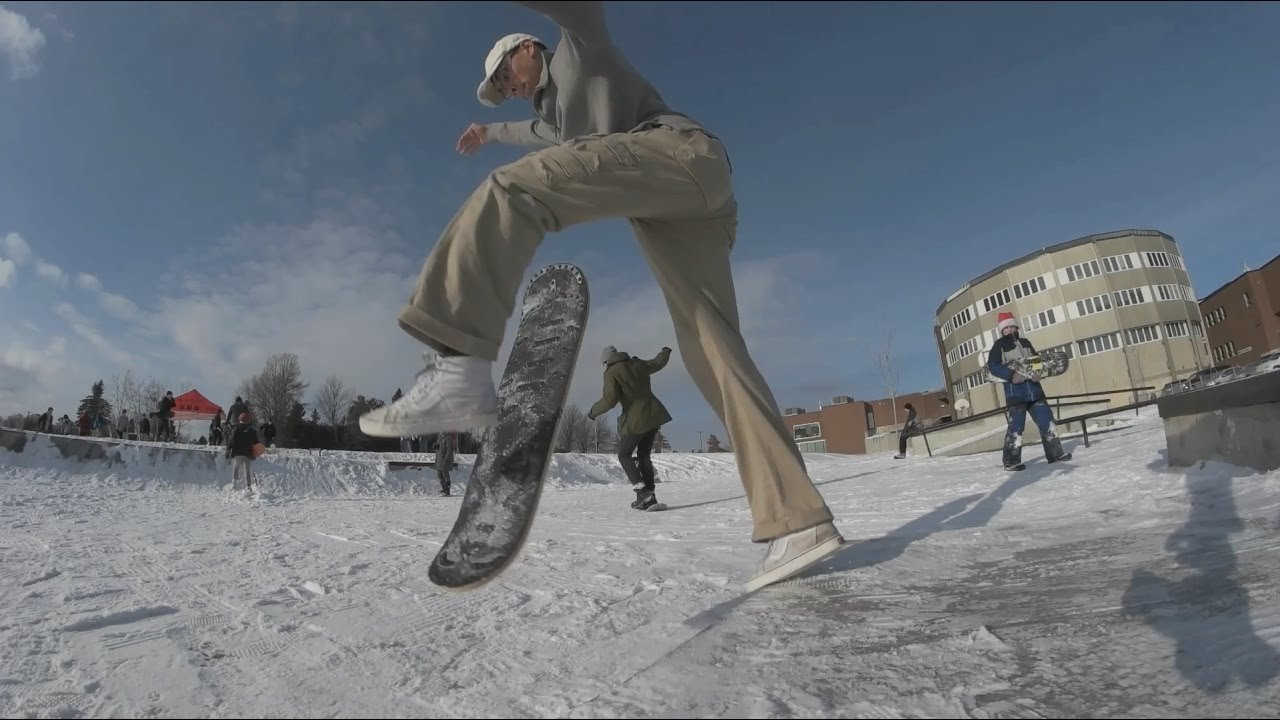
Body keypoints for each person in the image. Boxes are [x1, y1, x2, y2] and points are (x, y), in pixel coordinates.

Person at [357, 1, 843, 591]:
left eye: (507, 76)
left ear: (528, 49)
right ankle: (798, 519)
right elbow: (529, 131)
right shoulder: (553, 118)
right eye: (500, 88)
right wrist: (488, 131)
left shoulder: (577, 50)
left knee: (513, 190)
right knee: (711, 349)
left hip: (675, 153)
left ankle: (457, 365)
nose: (508, 88)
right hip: (686, 206)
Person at [588, 345, 671, 510]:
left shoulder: (611, 372)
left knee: (624, 455)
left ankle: (643, 494)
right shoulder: (637, 364)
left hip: (635, 420)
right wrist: (665, 352)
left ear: (606, 361)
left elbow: (610, 400)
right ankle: (650, 497)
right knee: (643, 456)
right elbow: (657, 363)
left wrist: (592, 412)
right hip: (653, 415)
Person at [987, 312, 1073, 468]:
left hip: (1035, 392)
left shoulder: (1025, 342)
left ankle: (1055, 454)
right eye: (1006, 328)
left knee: (1047, 422)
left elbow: (1036, 362)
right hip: (1016, 394)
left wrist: (1039, 373)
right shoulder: (998, 345)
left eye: (1013, 326)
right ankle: (1011, 461)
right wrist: (1011, 375)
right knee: (1016, 428)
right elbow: (993, 366)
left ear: (1017, 327)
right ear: (1002, 330)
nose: (1010, 330)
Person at [228, 412, 261, 492]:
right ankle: (248, 486)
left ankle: (234, 484)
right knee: (247, 470)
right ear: (248, 420)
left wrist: (228, 449)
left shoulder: (235, 429)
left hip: (237, 453)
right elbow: (256, 442)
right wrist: (257, 451)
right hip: (248, 454)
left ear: (239, 420)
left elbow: (231, 441)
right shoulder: (252, 431)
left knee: (236, 468)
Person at [435, 431, 458, 496]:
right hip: (439, 459)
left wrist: (446, 459)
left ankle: (447, 491)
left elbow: (449, 450)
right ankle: (444, 488)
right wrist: (436, 446)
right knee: (439, 475)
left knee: (445, 475)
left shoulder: (448, 438)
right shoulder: (439, 438)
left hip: (445, 460)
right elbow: (438, 447)